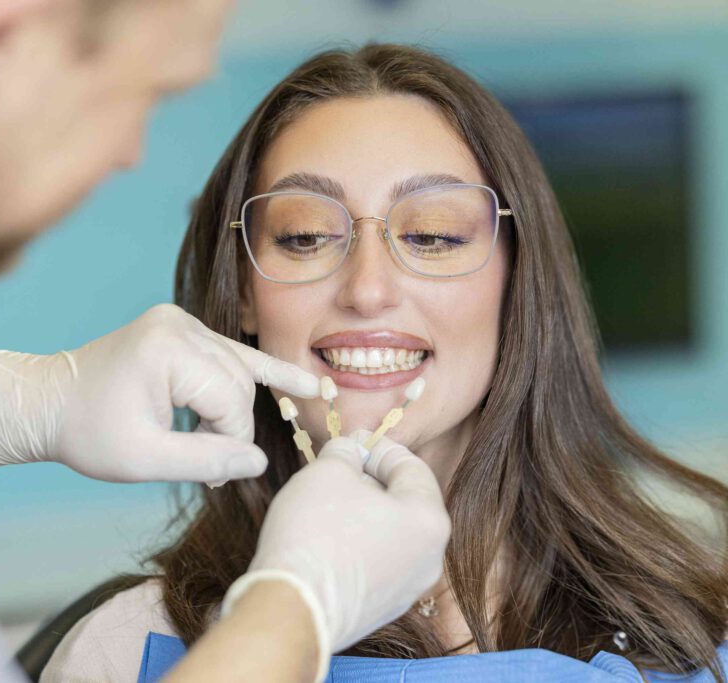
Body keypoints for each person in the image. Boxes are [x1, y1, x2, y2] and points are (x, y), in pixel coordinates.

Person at [0, 1, 451, 681]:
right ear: (0, 36)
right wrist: (297, 609)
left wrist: (12, 398)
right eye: (147, 96)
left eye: (436, 234)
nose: (130, 152)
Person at [41, 43, 728, 682]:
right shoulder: (126, 647)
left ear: (519, 280)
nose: (368, 289)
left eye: (432, 235)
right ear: (244, 291)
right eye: (306, 236)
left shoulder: (695, 641)